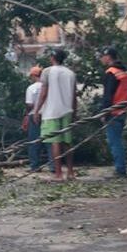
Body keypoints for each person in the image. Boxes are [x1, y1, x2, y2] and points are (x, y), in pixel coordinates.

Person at [34, 49, 78, 181]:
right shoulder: (71, 73)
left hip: (51, 111)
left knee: (55, 142)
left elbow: (43, 93)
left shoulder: (47, 72)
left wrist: (37, 110)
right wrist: (75, 111)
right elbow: (74, 95)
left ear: (53, 57)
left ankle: (58, 173)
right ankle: (70, 172)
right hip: (67, 110)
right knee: (67, 142)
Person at [99, 47, 127, 178]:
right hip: (123, 110)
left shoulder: (111, 73)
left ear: (108, 57)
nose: (101, 58)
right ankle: (120, 168)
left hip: (114, 112)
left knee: (114, 141)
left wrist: (104, 113)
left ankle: (120, 170)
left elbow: (108, 95)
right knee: (117, 140)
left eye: (102, 56)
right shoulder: (124, 71)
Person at [22, 65, 47, 172]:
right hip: (47, 115)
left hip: (34, 115)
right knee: (50, 140)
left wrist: (27, 114)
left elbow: (29, 104)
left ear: (33, 76)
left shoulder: (31, 88)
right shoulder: (47, 87)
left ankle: (34, 166)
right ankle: (53, 166)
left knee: (34, 141)